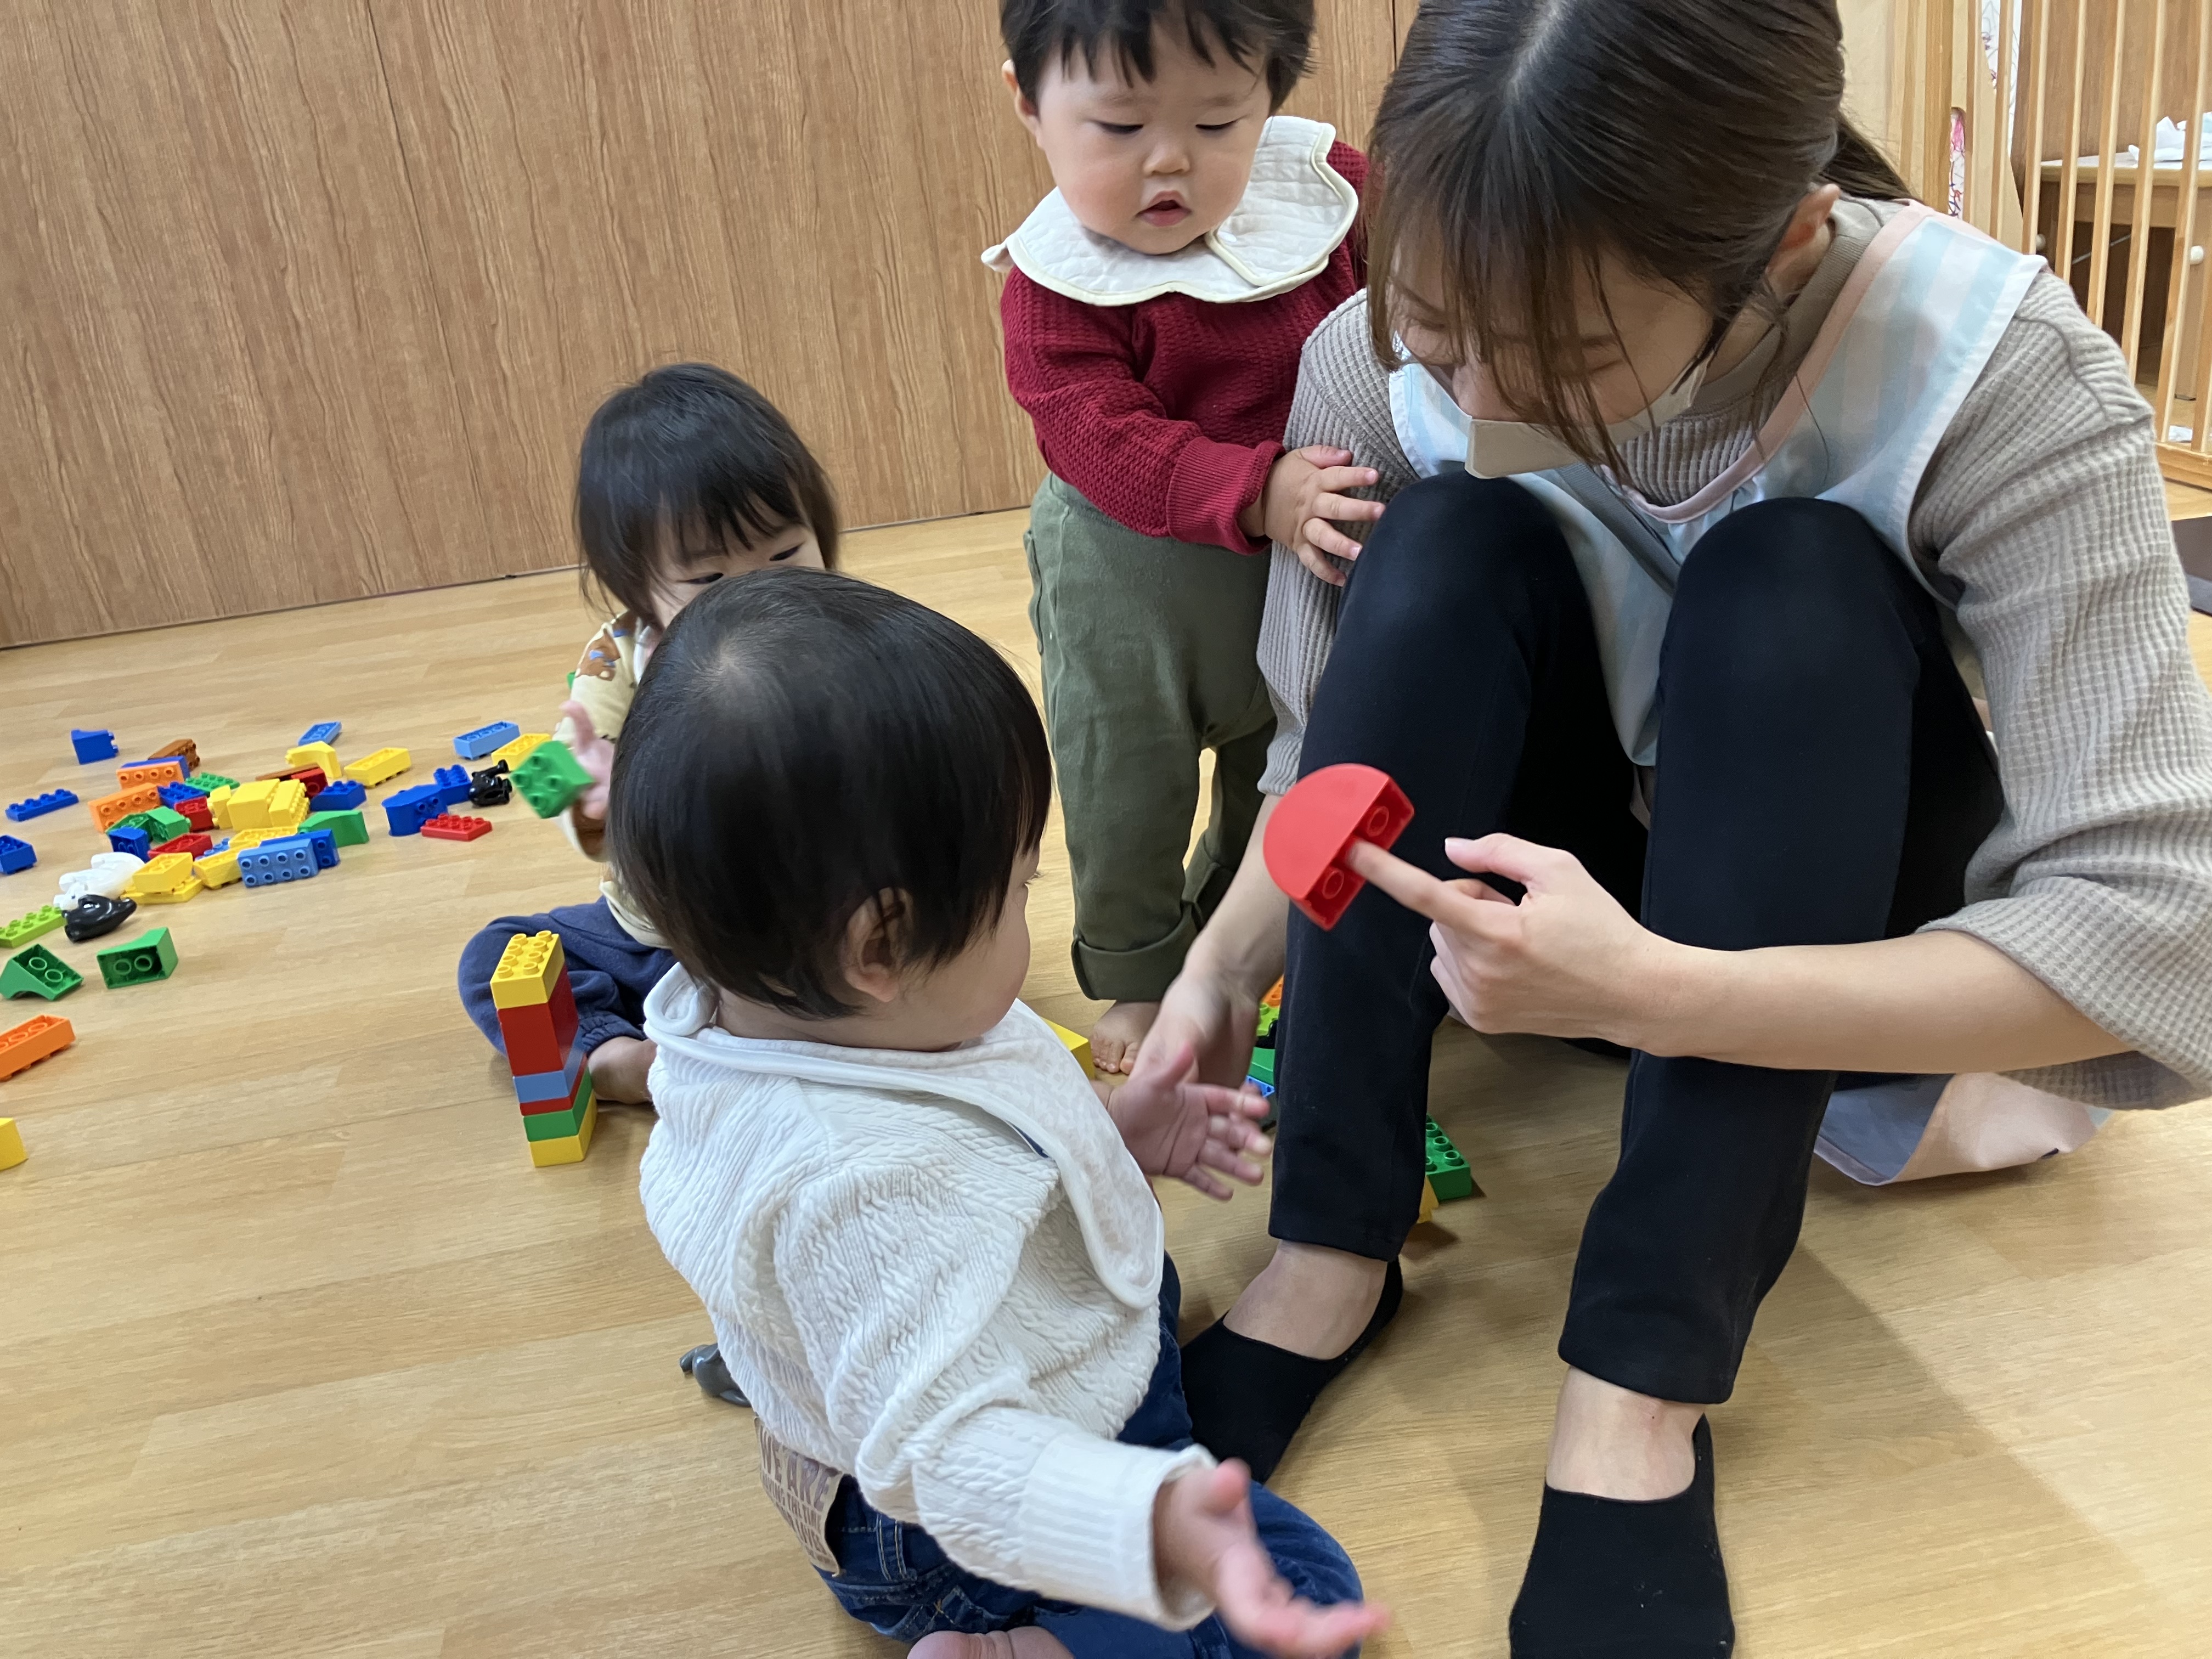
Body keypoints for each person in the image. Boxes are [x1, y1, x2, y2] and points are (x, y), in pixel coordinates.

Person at [1146, 1, 2212, 1654]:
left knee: (1793, 583)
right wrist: (1221, 974)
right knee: (1440, 542)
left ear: (1779, 248)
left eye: (1564, 357)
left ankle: (1639, 1388)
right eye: (1438, 332)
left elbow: (2160, 933)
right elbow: (1326, 760)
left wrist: (1663, 992)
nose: (1482, 392)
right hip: (1542, 938)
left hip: (1826, 941)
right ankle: (1327, 1255)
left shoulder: (1997, 370)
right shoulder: (1371, 355)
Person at [611, 568, 1388, 1659]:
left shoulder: (788, 1013)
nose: (1027, 908)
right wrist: (1147, 1521)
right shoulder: (858, 1185)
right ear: (882, 945)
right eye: (1018, 890)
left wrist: (1115, 1137)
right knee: (1300, 1593)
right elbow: (953, 1458)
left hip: (918, 1430)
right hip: (954, 1535)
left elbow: (980, 1153)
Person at [988, 0, 1387, 1072]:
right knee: (1126, 788)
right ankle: (1138, 971)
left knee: (1285, 756)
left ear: (1272, 98)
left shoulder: (1330, 190)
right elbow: (1098, 433)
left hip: (1303, 562)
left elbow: (1416, 275)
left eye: (1218, 123)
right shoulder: (1055, 284)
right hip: (1130, 579)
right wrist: (1256, 489)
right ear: (1032, 104)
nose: (1170, 161)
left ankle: (1234, 944)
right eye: (1120, 127)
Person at [456, 362, 839, 1110]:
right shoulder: (619, 657)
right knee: (495, 955)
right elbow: (558, 765)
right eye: (708, 580)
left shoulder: (851, 629)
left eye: (786, 554)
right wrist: (591, 800)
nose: (759, 591)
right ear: (639, 588)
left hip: (811, 933)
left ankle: (740, 1039)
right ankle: (615, 1059)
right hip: (660, 937)